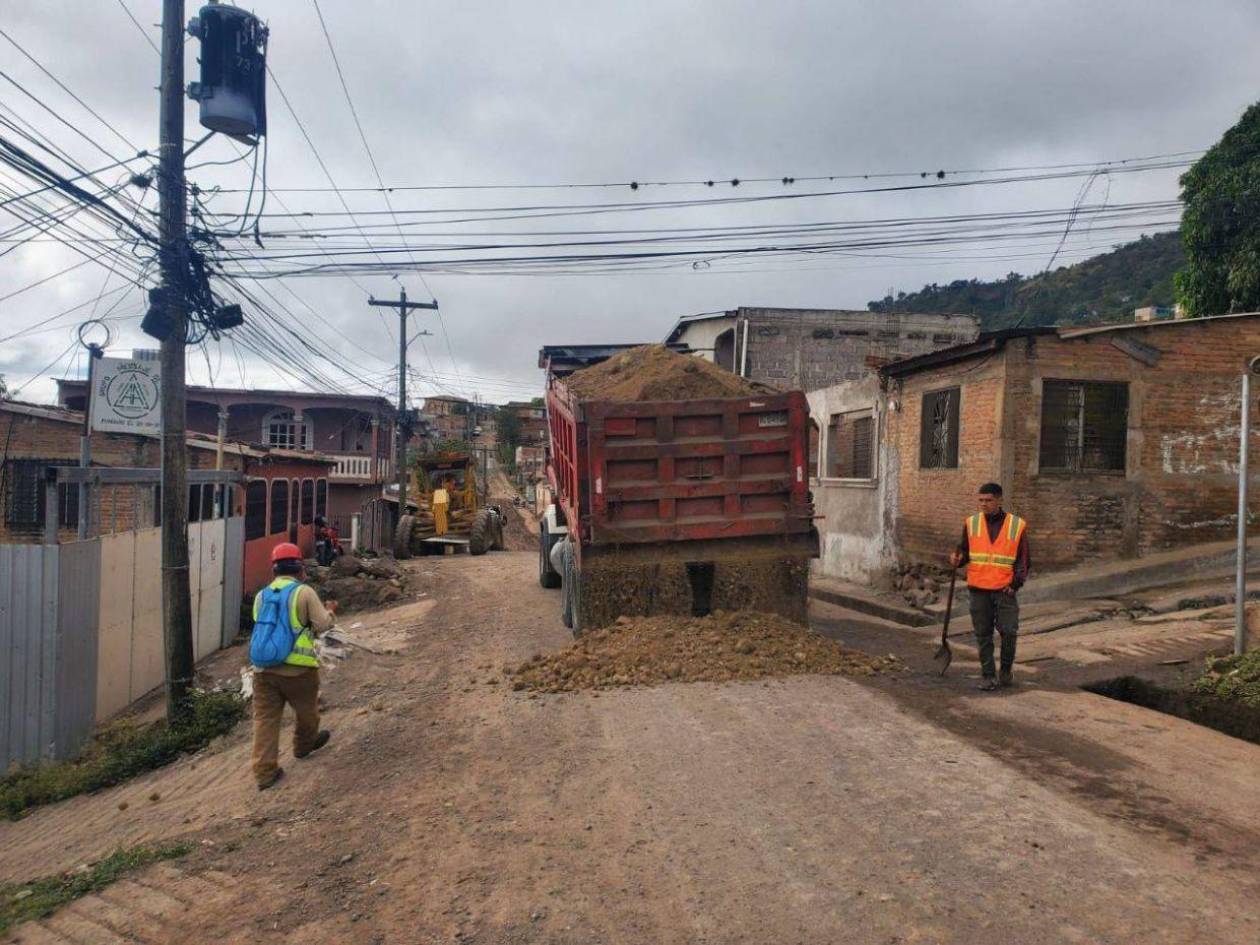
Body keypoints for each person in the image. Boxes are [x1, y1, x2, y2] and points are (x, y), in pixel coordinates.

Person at [250, 543, 337, 790]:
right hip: (298, 671)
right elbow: (322, 625)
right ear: (299, 567)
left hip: (263, 671)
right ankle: (303, 746)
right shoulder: (304, 593)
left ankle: (265, 773)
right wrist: (330, 612)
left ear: (274, 569)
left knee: (265, 720)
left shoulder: (262, 595)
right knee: (307, 713)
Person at [949, 483, 1030, 691]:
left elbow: (1023, 560)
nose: (984, 504)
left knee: (1009, 631)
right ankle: (988, 675)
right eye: (981, 500)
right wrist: (958, 559)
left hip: (1004, 589)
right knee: (983, 635)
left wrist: (1016, 584)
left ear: (999, 500)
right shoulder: (971, 523)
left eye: (988, 500)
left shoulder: (1016, 525)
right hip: (979, 589)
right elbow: (966, 553)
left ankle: (1005, 670)